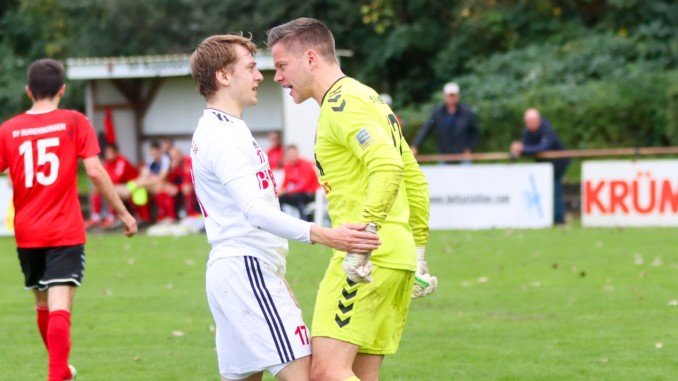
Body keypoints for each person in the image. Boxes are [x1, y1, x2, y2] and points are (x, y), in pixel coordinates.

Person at [189, 34, 381, 381]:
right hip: (245, 268)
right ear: (223, 76)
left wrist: (275, 272)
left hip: (243, 269)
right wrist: (326, 235)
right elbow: (254, 211)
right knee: (305, 374)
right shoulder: (222, 136)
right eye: (250, 67)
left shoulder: (224, 129)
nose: (261, 76)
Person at [268, 18, 438, 381]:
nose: (277, 77)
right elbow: (414, 178)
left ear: (311, 58)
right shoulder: (368, 97)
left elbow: (389, 165)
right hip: (395, 254)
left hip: (367, 255)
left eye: (282, 66)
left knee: (326, 373)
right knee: (359, 373)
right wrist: (418, 250)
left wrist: (363, 242)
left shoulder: (344, 104)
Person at [0, 58, 137, 381]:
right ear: (63, 89)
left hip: (27, 231)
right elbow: (94, 170)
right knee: (60, 303)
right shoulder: (74, 121)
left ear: (28, 91)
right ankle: (57, 373)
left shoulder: (8, 129)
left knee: (43, 303)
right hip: (63, 229)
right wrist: (123, 213)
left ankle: (59, 370)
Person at [510, 108, 570, 224]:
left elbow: (542, 148)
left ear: (538, 120)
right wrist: (517, 150)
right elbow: (527, 148)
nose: (530, 124)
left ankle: (559, 218)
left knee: (555, 187)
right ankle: (545, 217)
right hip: (543, 164)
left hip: (558, 163)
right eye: (528, 122)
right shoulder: (527, 131)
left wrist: (522, 149)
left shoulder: (548, 130)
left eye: (532, 121)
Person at [411, 82, 479, 161]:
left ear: (458, 96)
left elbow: (474, 132)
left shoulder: (467, 112)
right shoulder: (438, 112)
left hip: (463, 156)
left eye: (453, 95)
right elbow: (426, 129)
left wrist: (470, 148)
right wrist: (415, 146)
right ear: (444, 96)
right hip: (444, 156)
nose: (451, 98)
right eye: (449, 95)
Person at [85, 143, 139, 229]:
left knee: (109, 189)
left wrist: (103, 183)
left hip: (131, 186)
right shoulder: (108, 163)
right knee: (96, 188)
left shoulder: (122, 161)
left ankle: (112, 217)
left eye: (110, 151)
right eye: (107, 152)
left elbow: (116, 178)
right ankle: (96, 217)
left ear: (116, 152)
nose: (107, 154)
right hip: (119, 186)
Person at [278, 145, 319, 221]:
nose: (292, 156)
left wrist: (287, 191)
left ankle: (305, 222)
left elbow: (304, 185)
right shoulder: (288, 166)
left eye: (293, 154)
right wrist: (280, 191)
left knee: (298, 197)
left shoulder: (306, 164)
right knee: (280, 198)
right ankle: (283, 221)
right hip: (297, 193)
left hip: (311, 193)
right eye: (290, 155)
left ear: (297, 154)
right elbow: (285, 182)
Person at [162, 146, 199, 219]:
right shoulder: (172, 166)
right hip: (180, 188)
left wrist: (178, 188)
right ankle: (169, 217)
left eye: (176, 156)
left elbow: (188, 183)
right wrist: (171, 170)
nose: (174, 159)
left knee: (186, 189)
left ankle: (191, 213)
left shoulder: (187, 161)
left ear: (181, 154)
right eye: (172, 157)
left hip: (195, 189)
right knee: (164, 189)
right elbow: (167, 181)